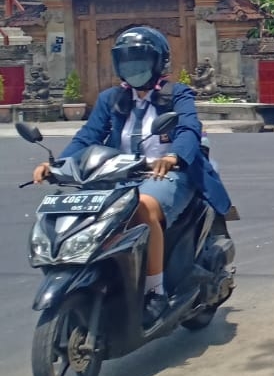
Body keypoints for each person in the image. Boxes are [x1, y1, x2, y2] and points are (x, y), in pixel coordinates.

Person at [32, 26, 233, 327]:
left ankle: (155, 292)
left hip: (170, 175)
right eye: (127, 62)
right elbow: (88, 136)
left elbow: (188, 131)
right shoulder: (110, 99)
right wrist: (57, 164)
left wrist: (172, 156)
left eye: (140, 61)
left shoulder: (177, 95)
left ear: (158, 62)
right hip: (120, 177)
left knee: (144, 206)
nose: (133, 68)